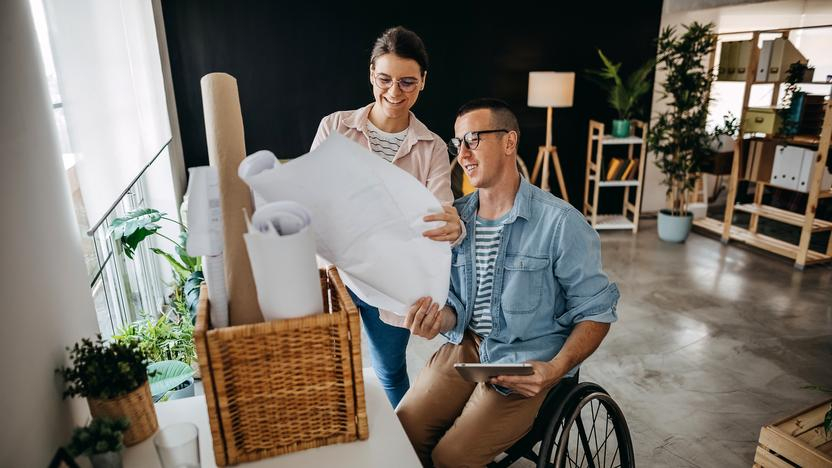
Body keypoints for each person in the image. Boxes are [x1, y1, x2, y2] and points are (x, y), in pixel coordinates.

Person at [395, 98, 620, 468]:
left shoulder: (561, 224)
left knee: (451, 458)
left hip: (529, 359)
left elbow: (596, 313)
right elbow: (458, 308)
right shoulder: (457, 220)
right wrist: (440, 319)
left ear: (509, 141)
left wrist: (554, 369)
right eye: (457, 143)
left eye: (472, 139)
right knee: (402, 433)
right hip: (468, 349)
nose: (462, 153)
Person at [311, 26, 463, 408]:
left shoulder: (432, 148)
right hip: (334, 274)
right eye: (385, 80)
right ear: (371, 75)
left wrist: (453, 225)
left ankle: (407, 452)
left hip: (393, 283)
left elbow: (441, 213)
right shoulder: (335, 128)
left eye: (408, 82)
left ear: (423, 81)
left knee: (390, 370)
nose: (395, 93)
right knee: (331, 371)